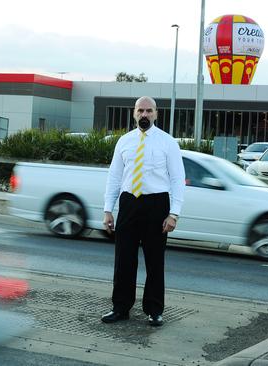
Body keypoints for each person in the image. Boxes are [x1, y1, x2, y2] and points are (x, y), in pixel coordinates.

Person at [101, 96, 185, 327]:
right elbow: (115, 177)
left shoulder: (168, 143)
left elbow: (178, 180)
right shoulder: (124, 142)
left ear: (156, 114)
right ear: (134, 113)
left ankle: (154, 310)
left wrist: (173, 213)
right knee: (124, 260)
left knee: (154, 261)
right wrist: (108, 209)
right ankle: (120, 308)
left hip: (157, 205)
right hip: (128, 203)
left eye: (149, 111)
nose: (144, 115)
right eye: (141, 110)